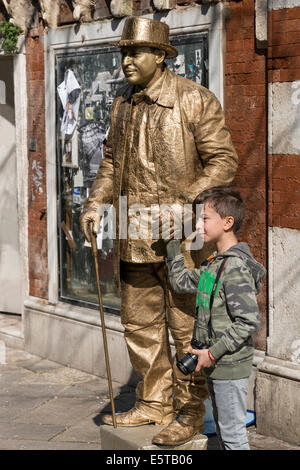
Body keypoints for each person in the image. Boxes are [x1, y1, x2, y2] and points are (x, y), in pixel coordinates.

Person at [80, 16, 239, 446]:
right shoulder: (121, 105)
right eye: (124, 52)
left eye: (135, 52)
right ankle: (153, 402)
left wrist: (186, 198)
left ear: (160, 56)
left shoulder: (194, 100)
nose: (127, 60)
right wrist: (95, 204)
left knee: (188, 327)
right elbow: (111, 164)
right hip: (133, 232)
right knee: (139, 324)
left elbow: (223, 161)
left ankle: (188, 411)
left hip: (184, 239)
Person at [165, 185, 266, 450]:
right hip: (215, 363)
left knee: (233, 438)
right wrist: (173, 244)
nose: (198, 224)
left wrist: (211, 353)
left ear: (227, 222)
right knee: (224, 435)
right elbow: (181, 281)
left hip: (229, 365)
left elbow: (248, 321)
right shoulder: (214, 265)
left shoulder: (234, 267)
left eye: (204, 218)